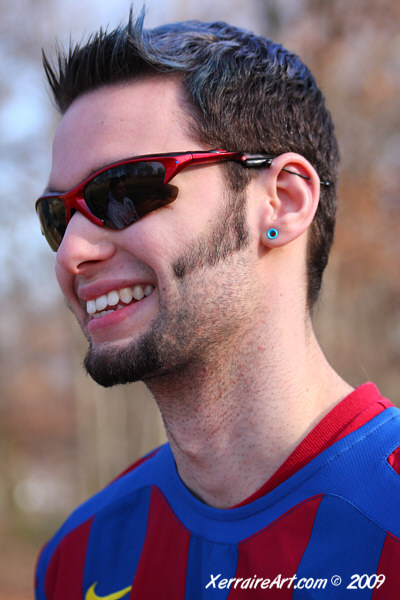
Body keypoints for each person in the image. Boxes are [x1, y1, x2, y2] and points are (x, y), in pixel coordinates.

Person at [34, 11, 400, 599]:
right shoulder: (79, 559)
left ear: (282, 202)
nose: (72, 251)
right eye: (59, 215)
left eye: (124, 192)